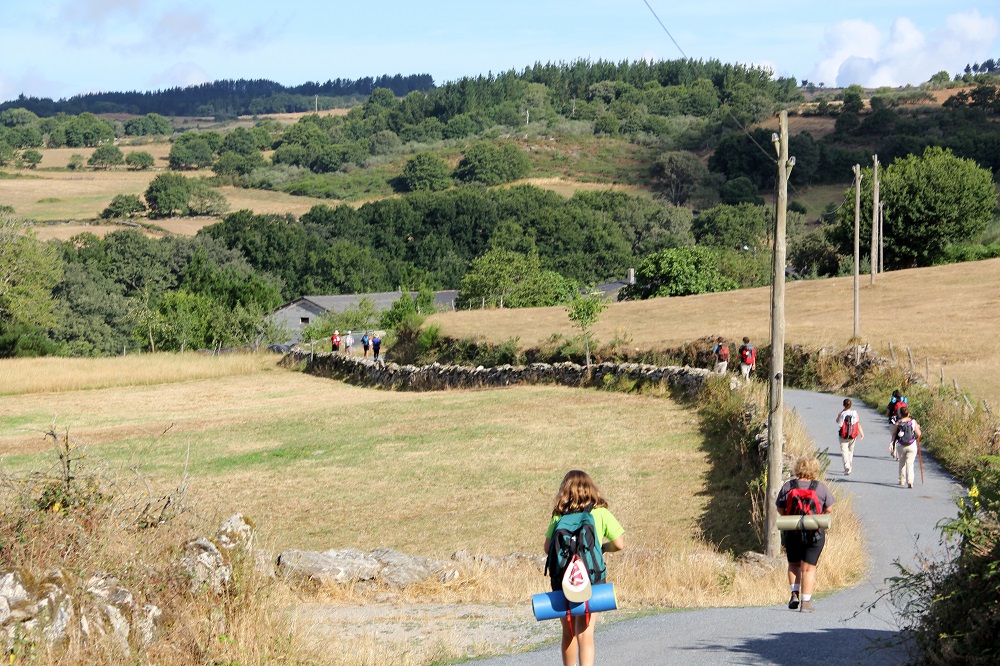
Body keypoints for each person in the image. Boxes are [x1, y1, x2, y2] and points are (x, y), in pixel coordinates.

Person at [544, 471, 625, 666]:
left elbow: (548, 548)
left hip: (563, 580)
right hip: (592, 579)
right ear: (591, 489)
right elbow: (619, 544)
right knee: (585, 633)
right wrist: (602, 548)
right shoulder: (600, 512)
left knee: (568, 631)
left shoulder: (559, 516)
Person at [776, 456, 834, 613]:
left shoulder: (788, 486)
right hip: (814, 533)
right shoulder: (820, 488)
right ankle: (806, 602)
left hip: (792, 531)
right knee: (808, 568)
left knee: (794, 564)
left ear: (797, 469)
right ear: (815, 470)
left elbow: (780, 509)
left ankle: (794, 594)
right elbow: (828, 509)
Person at [890, 404, 922, 488]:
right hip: (911, 445)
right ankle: (910, 481)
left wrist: (891, 443)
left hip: (901, 445)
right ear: (908, 414)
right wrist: (917, 433)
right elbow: (919, 434)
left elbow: (894, 434)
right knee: (910, 464)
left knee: (902, 463)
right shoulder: (913, 422)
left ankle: (902, 481)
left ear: (900, 414)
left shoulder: (898, 423)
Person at [835, 398, 865, 475]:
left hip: (843, 436)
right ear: (851, 405)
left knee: (844, 452)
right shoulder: (854, 413)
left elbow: (838, 423)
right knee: (850, 451)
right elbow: (857, 424)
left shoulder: (842, 414)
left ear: (843, 405)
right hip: (853, 436)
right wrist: (862, 433)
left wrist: (839, 414)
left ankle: (847, 467)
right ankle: (850, 467)